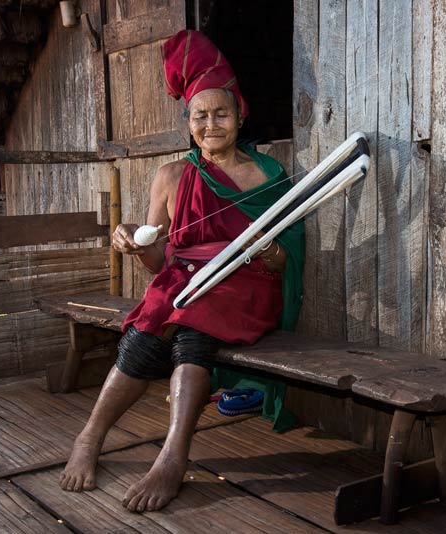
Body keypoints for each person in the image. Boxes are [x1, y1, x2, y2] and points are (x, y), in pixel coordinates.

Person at [58, 30, 304, 513]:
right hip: (184, 283)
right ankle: (89, 437)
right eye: (200, 116)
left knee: (187, 321)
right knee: (148, 331)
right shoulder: (172, 176)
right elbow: (158, 259)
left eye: (221, 114)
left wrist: (266, 249)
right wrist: (131, 239)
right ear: (188, 121)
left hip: (245, 284)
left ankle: (172, 458)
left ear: (241, 115)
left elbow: (285, 259)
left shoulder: (270, 175)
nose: (211, 124)